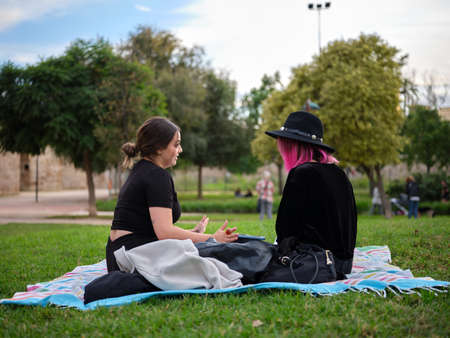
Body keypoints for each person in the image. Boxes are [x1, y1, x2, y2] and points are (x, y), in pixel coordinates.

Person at [106, 117, 238, 272]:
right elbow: (165, 232)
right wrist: (211, 239)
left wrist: (191, 234)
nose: (180, 150)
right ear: (159, 148)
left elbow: (149, 230)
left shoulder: (141, 170)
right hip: (133, 259)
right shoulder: (157, 175)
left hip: (117, 257)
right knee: (224, 255)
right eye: (176, 145)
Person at [265, 110, 357, 275]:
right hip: (343, 263)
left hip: (314, 263)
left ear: (290, 146)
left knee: (249, 254)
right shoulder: (338, 173)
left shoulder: (302, 173)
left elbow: (285, 231)